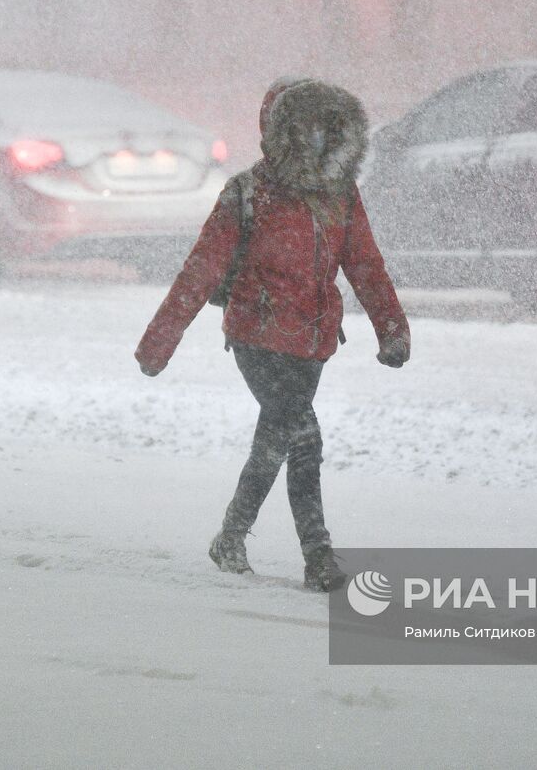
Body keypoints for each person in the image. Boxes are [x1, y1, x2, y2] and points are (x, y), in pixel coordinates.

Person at [135, 78, 410, 592]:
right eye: (305, 128)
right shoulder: (248, 193)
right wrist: (159, 343)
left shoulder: (340, 196)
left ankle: (234, 538)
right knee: (300, 437)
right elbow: (201, 271)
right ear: (281, 133)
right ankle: (316, 555)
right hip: (256, 337)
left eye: (327, 129)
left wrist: (391, 328)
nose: (316, 140)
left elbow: (365, 265)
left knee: (286, 437)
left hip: (311, 343)